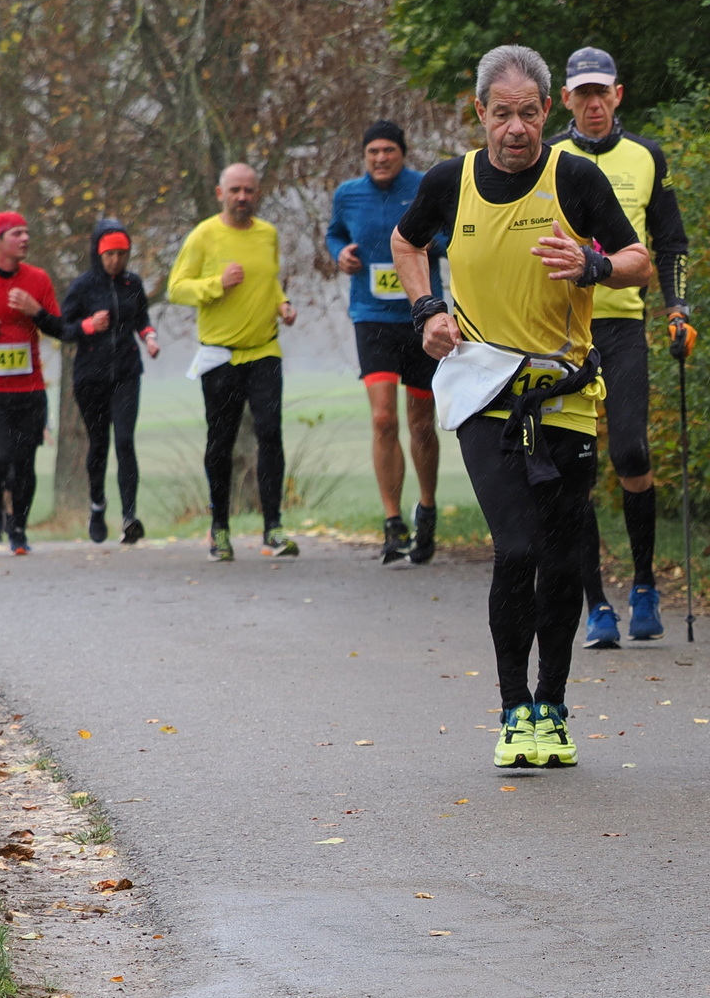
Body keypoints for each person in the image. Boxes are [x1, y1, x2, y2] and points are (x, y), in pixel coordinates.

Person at [391, 44, 649, 770]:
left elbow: (637, 261)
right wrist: (427, 310)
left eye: (528, 113)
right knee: (519, 548)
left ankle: (552, 707)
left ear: (546, 112)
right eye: (501, 113)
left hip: (564, 393)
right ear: (480, 112)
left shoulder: (575, 177)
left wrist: (594, 264)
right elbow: (406, 242)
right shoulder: (450, 182)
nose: (515, 128)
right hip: (485, 390)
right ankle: (512, 710)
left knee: (562, 559)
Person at [550, 46, 694, 646]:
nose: (593, 103)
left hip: (622, 326)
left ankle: (643, 585)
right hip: (562, 332)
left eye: (601, 92)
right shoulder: (547, 158)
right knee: (574, 469)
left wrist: (678, 307)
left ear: (618, 95)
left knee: (631, 453)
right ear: (565, 100)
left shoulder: (646, 155)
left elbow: (671, 241)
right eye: (582, 93)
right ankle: (597, 606)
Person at [0, 212, 109, 554]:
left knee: (24, 464)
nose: (25, 238)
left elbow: (60, 329)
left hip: (29, 389)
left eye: (27, 232)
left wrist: (36, 311)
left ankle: (18, 530)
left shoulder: (38, 279)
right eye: (17, 233)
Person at [327, 119, 445, 566]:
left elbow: (449, 233)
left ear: (402, 153)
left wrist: (432, 244)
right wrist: (340, 253)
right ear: (364, 156)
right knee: (382, 419)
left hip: (420, 317)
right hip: (372, 317)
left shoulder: (425, 187)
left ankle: (427, 508)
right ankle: (392, 521)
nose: (380, 158)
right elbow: (335, 232)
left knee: (421, 424)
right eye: (373, 152)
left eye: (388, 151)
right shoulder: (348, 194)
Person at [168, 163, 300, 562]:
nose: (242, 197)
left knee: (270, 434)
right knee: (220, 442)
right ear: (220, 194)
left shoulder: (267, 234)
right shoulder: (203, 235)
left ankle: (273, 528)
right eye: (235, 190)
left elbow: (268, 279)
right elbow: (176, 289)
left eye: (249, 190)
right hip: (220, 356)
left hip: (264, 351)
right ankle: (220, 529)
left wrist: (282, 304)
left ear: (258, 193)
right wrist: (216, 284)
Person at [57, 218, 160, 543]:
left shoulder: (133, 284)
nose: (116, 261)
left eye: (122, 254)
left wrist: (149, 337)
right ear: (98, 254)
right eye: (110, 255)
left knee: (125, 441)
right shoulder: (82, 286)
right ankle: (97, 505)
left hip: (126, 373)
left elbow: (141, 318)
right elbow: (62, 329)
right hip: (91, 377)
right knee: (99, 444)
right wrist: (87, 326)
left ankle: (129, 517)